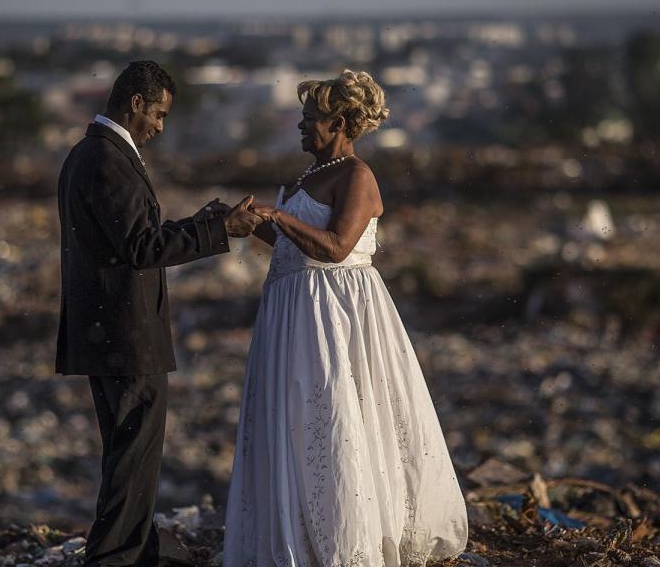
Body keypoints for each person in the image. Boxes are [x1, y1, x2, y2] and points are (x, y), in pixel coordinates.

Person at [224, 69, 468, 566]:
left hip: (333, 314)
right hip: (292, 310)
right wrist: (251, 224)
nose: (300, 125)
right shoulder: (307, 176)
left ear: (338, 124)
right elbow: (294, 246)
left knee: (334, 413)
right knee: (296, 416)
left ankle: (345, 541)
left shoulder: (357, 176)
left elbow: (335, 247)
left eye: (310, 118)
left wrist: (278, 215)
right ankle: (300, 532)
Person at [55, 60, 262, 567]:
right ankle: (113, 558)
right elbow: (143, 248)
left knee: (132, 454)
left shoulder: (90, 154)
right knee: (133, 455)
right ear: (136, 103)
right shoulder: (107, 159)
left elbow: (133, 238)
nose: (161, 128)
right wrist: (220, 231)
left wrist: (200, 223)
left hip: (110, 333)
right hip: (125, 336)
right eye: (160, 115)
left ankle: (138, 549)